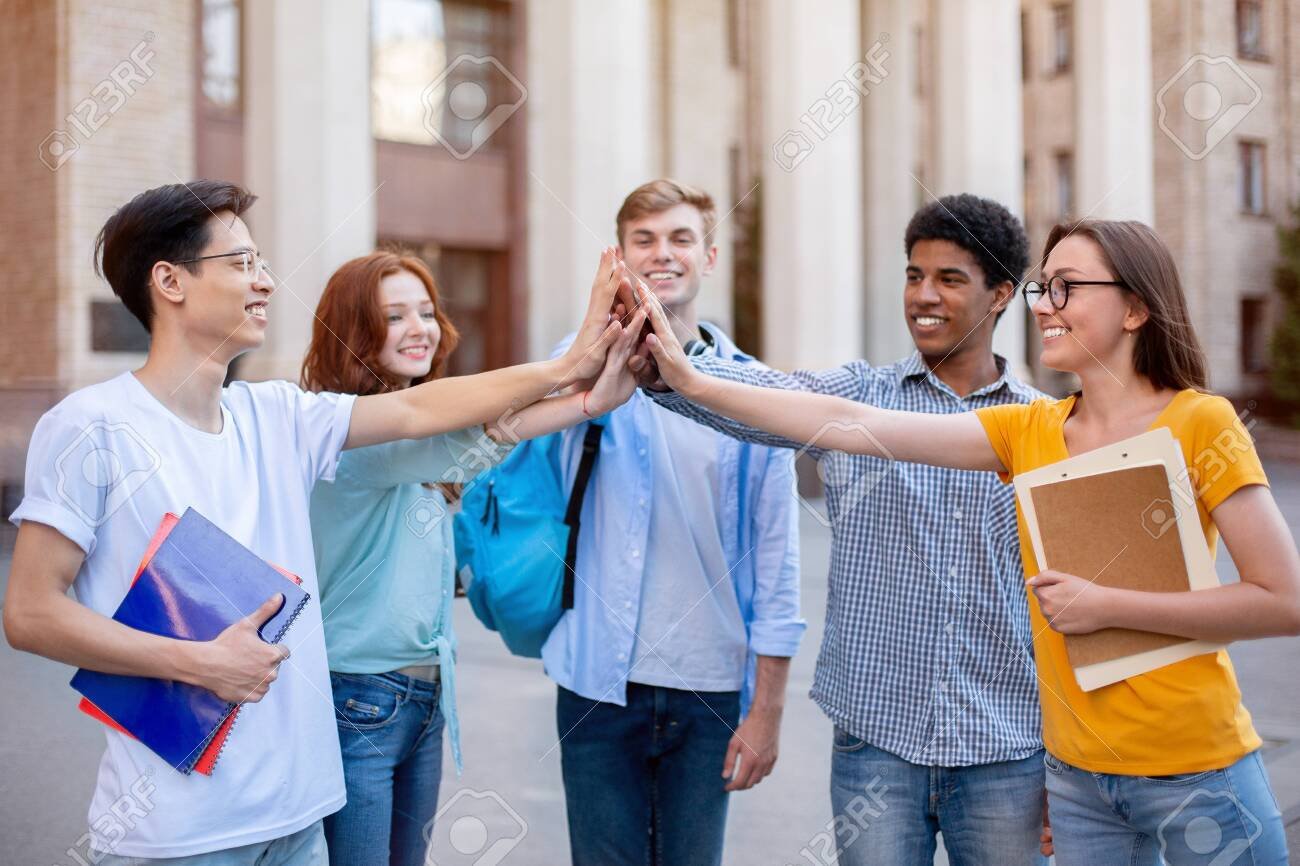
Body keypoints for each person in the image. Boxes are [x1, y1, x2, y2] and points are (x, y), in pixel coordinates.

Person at [2, 180, 632, 865]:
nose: (266, 281)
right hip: (179, 836)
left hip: (300, 820)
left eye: (261, 263)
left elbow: (423, 412)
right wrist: (199, 662)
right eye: (241, 264)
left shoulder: (275, 416)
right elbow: (30, 613)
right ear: (169, 281)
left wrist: (574, 378)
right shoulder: (91, 425)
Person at [636, 217, 1300, 866]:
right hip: (1081, 782)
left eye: (1067, 287)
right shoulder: (1029, 430)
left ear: (1133, 308)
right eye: (1044, 288)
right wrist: (693, 380)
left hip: (1195, 768)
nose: (1045, 306)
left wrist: (1108, 607)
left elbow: (1283, 600)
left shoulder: (1202, 421)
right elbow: (849, 421)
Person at [637, 193, 1049, 865]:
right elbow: (765, 398)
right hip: (876, 747)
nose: (924, 295)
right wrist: (666, 365)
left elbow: (1060, 612)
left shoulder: (1043, 426)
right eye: (914, 275)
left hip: (1005, 752)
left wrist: (1065, 763)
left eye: (950, 279)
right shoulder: (858, 396)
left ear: (1001, 293)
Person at [302, 250, 644, 866]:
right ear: (354, 330)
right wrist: (573, 370)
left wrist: (589, 400)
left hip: (420, 697)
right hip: (358, 699)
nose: (419, 328)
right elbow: (485, 435)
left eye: (426, 312)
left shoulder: (413, 435)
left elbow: (488, 436)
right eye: (393, 315)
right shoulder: (344, 436)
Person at [541, 179, 805, 866]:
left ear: (709, 256)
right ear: (619, 257)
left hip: (708, 690)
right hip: (595, 683)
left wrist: (767, 711)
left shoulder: (754, 391)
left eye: (681, 238)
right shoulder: (573, 366)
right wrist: (592, 356)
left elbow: (777, 564)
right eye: (645, 240)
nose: (664, 254)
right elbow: (501, 446)